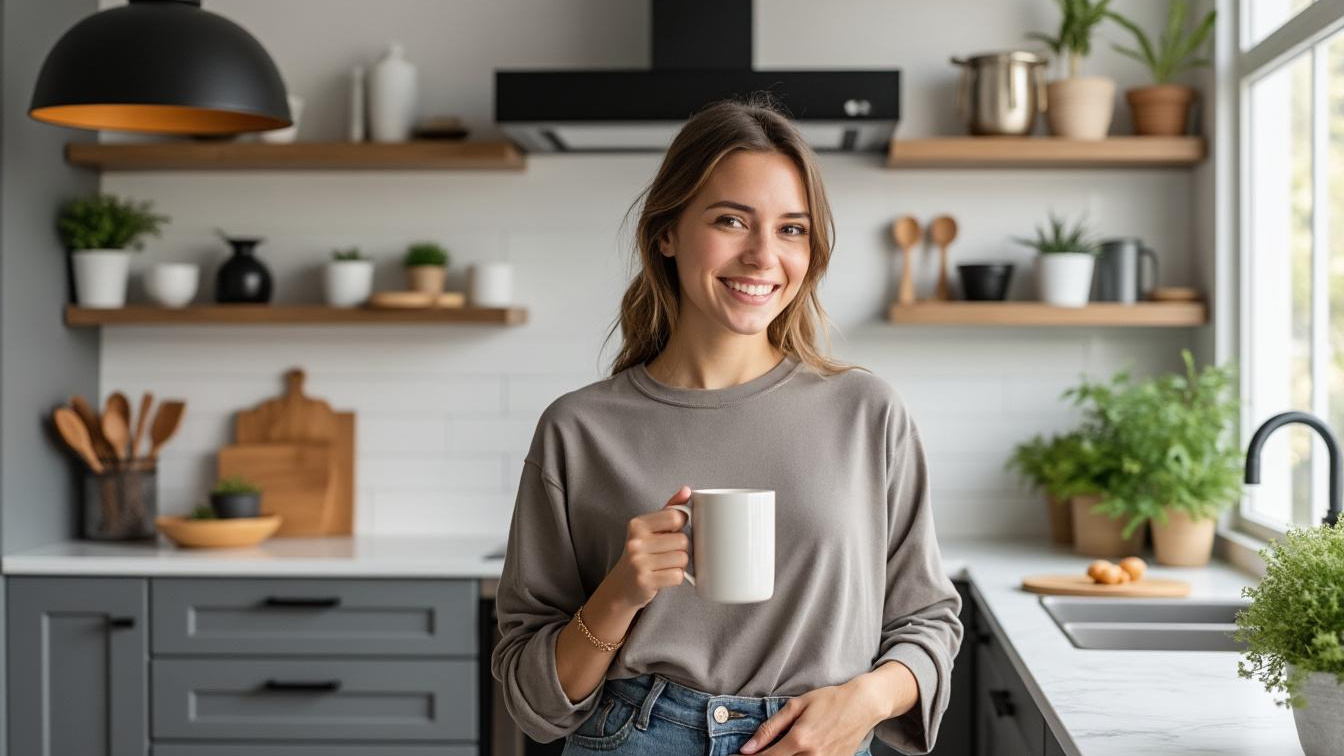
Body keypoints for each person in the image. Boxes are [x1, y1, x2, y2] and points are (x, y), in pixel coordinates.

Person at [491, 94, 963, 756]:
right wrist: (619, 595)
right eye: (732, 221)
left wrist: (866, 702)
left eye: (792, 229)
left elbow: (928, 620)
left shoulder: (867, 413)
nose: (763, 255)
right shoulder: (578, 429)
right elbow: (533, 701)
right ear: (667, 232)